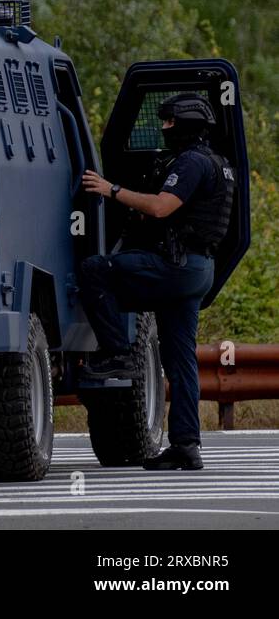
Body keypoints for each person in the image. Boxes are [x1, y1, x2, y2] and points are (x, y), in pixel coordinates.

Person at [78, 93, 236, 471]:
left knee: (96, 271)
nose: (164, 128)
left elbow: (163, 207)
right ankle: (186, 445)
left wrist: (110, 189)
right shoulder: (219, 163)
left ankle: (117, 353)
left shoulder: (193, 163)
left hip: (176, 268)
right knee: (181, 363)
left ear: (185, 124)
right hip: (198, 271)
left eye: (169, 122)